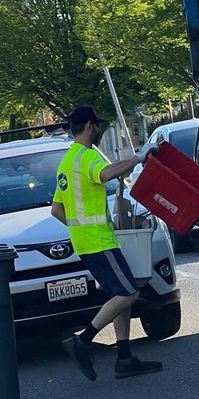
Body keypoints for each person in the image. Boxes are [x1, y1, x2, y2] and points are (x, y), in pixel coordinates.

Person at [51, 105, 162, 381]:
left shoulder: (66, 162)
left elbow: (56, 210)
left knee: (119, 295)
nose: (98, 129)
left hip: (89, 241)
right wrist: (138, 157)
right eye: (96, 125)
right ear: (89, 126)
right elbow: (107, 173)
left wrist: (79, 230)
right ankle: (83, 341)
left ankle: (124, 358)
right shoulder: (86, 157)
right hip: (98, 241)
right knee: (128, 293)